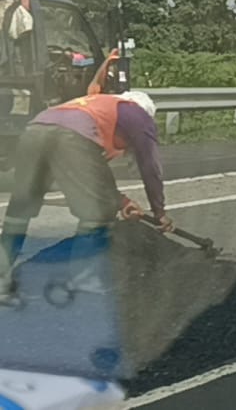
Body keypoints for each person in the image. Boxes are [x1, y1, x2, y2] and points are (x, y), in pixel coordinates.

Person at [1, 90, 172, 301]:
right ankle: (84, 278)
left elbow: (89, 179)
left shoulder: (96, 107)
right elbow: (150, 167)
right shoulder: (138, 115)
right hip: (69, 138)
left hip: (34, 130)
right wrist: (159, 211)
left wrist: (122, 201)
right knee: (98, 214)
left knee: (20, 211)